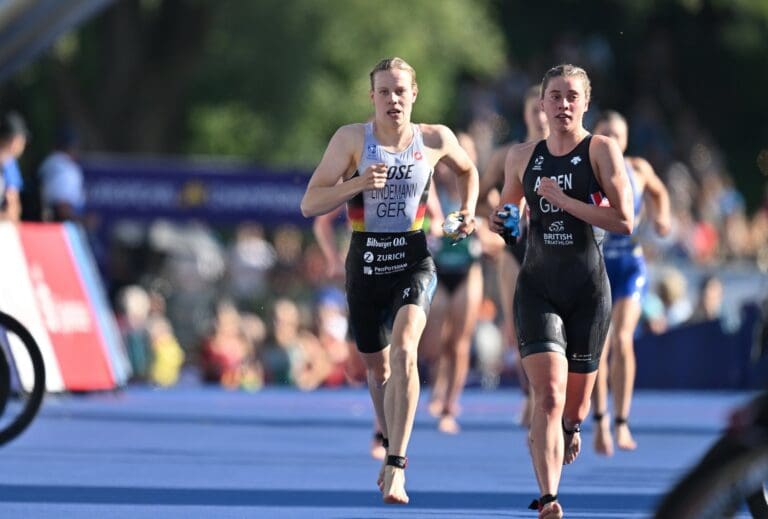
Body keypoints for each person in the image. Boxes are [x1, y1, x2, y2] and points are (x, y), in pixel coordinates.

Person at [301, 56, 479, 504]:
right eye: (384, 92)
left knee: (405, 350)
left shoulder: (435, 138)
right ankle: (386, 443)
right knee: (378, 369)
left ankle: (398, 464)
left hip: (412, 259)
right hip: (364, 265)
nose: (393, 100)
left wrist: (467, 211)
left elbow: (467, 170)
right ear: (372, 97)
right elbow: (310, 203)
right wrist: (356, 184)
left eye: (401, 91)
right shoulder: (350, 139)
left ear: (414, 93)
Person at [491, 64, 633, 518]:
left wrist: (565, 201)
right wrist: (503, 222)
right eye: (555, 96)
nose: (563, 105)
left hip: (589, 292)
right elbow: (510, 216)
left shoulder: (601, 151)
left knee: (575, 405)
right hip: (538, 288)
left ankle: (573, 427)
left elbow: (625, 221)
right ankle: (549, 498)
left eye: (572, 96)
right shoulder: (521, 156)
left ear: (585, 102)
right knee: (547, 396)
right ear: (542, 105)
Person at [590, 110, 672, 456]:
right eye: (605, 133)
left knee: (623, 338)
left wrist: (662, 218)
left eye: (618, 135)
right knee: (600, 345)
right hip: (598, 264)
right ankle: (600, 421)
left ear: (625, 140)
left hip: (630, 263)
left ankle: (622, 421)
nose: (612, 140)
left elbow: (658, 192)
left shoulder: (638, 168)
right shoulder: (587, 168)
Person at [421, 131, 503, 434]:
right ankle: (436, 384)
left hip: (469, 270)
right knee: (434, 341)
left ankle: (449, 405)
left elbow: (503, 237)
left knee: (459, 342)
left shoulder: (481, 195)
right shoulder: (430, 189)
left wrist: (482, 236)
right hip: (438, 269)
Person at [479, 85, 549, 427]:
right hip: (515, 248)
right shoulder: (509, 154)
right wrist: (496, 213)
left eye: (544, 108)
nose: (540, 115)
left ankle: (547, 396)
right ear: (525, 114)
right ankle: (530, 395)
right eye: (533, 109)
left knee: (552, 326)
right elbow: (478, 196)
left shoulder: (569, 153)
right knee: (518, 328)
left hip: (554, 249)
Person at [38, 125, 86, 222]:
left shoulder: (48, 163)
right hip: (62, 228)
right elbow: (62, 209)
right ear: (71, 147)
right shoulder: (65, 167)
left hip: (44, 224)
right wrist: (84, 221)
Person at [0, 111, 29, 222]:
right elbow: (13, 210)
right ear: (15, 141)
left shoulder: (9, 164)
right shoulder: (9, 164)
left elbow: (13, 209)